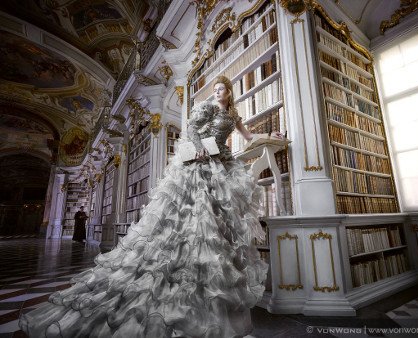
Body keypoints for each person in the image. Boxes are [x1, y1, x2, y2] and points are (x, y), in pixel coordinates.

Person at [19, 75, 284, 337]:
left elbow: (247, 136)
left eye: (221, 90)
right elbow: (191, 128)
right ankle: (181, 283)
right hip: (200, 160)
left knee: (214, 224)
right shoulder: (207, 107)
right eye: (214, 89)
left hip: (221, 162)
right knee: (191, 216)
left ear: (229, 93)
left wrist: (268, 134)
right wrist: (198, 147)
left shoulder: (233, 115)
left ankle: (210, 294)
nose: (216, 93)